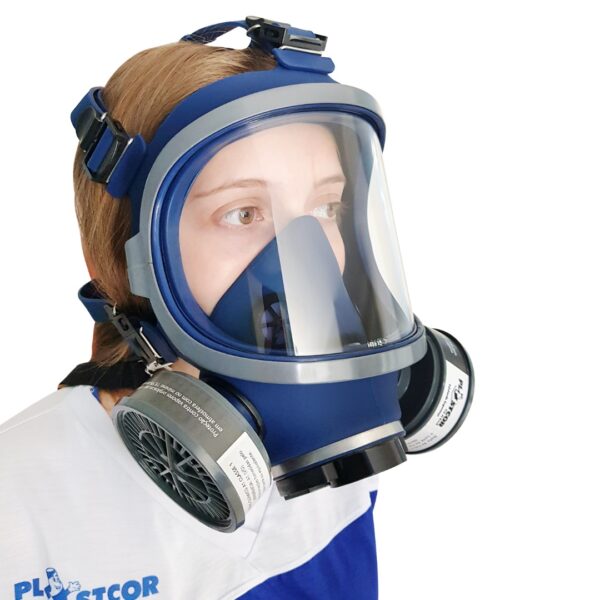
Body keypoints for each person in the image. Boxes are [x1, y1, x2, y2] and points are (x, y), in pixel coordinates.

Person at [0, 19, 385, 600]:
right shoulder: (18, 501)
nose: (302, 257)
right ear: (118, 257)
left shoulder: (339, 473)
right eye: (243, 213)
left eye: (326, 207)